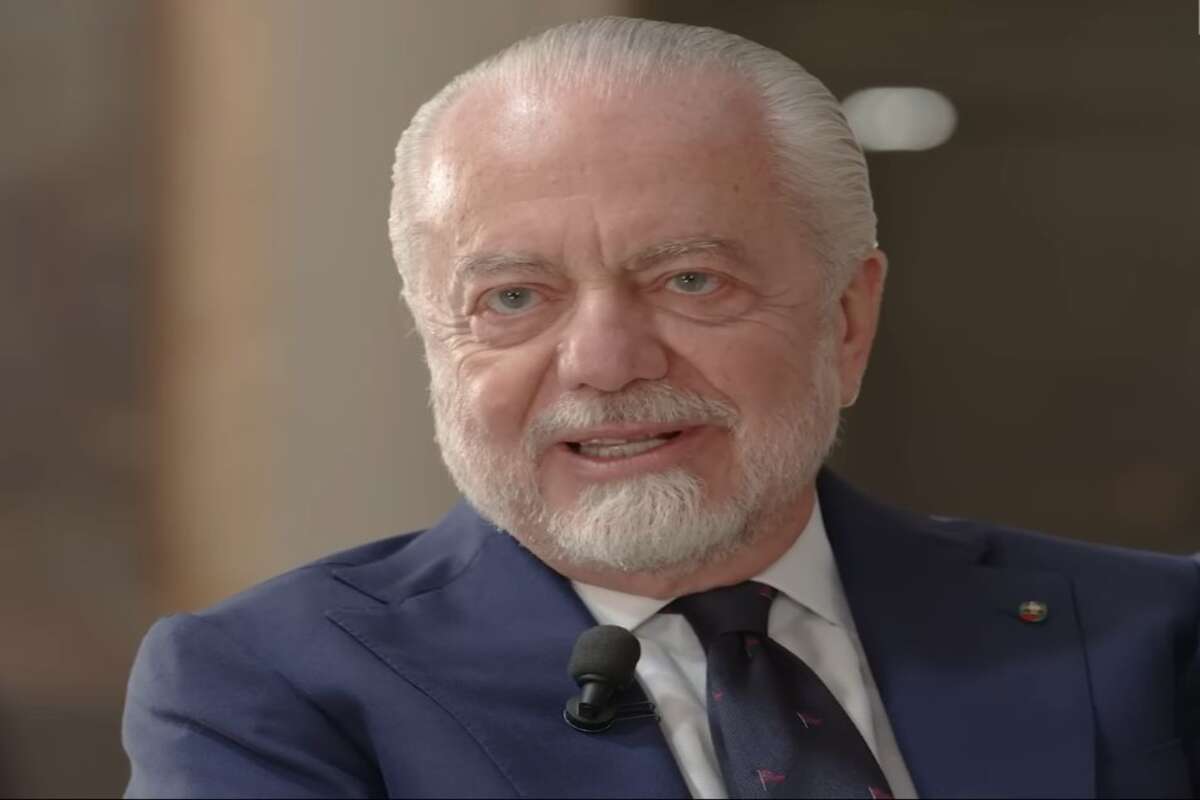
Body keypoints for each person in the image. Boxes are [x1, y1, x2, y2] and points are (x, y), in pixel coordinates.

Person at [122, 17, 1198, 798]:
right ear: (435, 337)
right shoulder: (271, 689)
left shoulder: (1157, 637)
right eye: (513, 298)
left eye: (690, 279)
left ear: (847, 318)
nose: (603, 362)